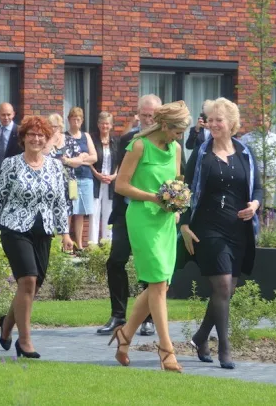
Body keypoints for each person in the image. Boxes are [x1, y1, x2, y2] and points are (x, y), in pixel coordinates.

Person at [0, 115, 74, 358]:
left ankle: (7, 325)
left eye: (40, 135)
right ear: (23, 138)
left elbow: (60, 202)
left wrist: (66, 233)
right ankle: (25, 341)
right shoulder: (11, 164)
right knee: (28, 280)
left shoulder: (55, 165)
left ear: (46, 139)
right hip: (14, 228)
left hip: (43, 230)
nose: (36, 138)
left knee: (32, 286)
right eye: (31, 134)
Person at [180, 98, 262, 369]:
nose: (213, 124)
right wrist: (184, 224)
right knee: (223, 285)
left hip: (238, 229)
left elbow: (257, 189)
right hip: (208, 228)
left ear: (232, 124)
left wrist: (254, 205)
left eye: (219, 120)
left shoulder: (245, 153)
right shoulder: (202, 153)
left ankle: (201, 337)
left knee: (227, 291)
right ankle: (224, 347)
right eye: (210, 119)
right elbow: (186, 189)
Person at [109, 100, 190, 373]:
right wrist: (154, 198)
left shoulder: (176, 149)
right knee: (157, 282)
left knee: (160, 285)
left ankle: (124, 337)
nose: (180, 137)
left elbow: (177, 182)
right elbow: (121, 185)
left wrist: (177, 203)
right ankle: (166, 349)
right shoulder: (138, 146)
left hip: (166, 220)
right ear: (165, 125)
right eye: (177, 131)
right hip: (142, 218)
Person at [96, 94, 160, 336]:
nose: (147, 119)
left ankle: (149, 318)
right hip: (126, 211)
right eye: (143, 115)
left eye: (151, 115)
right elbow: (121, 177)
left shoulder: (168, 143)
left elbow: (179, 177)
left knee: (149, 265)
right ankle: (117, 315)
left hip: (154, 214)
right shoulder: (126, 139)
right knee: (115, 261)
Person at [66, 107, 98, 250]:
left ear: (82, 120)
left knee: (80, 212)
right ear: (69, 120)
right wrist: (82, 157)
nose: (76, 121)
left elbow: (94, 157)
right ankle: (66, 244)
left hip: (85, 178)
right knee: (68, 211)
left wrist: (78, 161)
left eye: (79, 119)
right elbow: (63, 159)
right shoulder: (64, 136)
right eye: (74, 119)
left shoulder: (86, 136)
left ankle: (79, 244)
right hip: (70, 178)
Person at [240, 114, 276, 209]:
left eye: (264, 121)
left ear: (269, 123)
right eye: (258, 121)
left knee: (268, 206)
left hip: (269, 178)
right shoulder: (246, 139)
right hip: (253, 179)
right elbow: (242, 159)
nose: (260, 123)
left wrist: (272, 171)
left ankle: (266, 224)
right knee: (252, 204)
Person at [89, 112, 119, 244]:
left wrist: (114, 176)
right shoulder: (92, 140)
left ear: (111, 125)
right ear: (98, 124)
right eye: (102, 123)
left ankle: (107, 243)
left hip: (110, 181)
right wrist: (96, 174)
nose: (104, 126)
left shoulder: (116, 141)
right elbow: (88, 160)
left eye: (107, 123)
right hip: (96, 180)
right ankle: (92, 244)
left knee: (108, 212)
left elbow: (120, 161)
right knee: (94, 213)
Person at [0, 102, 23, 172]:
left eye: (8, 115)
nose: (6, 118)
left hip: (14, 171)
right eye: (3, 115)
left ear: (13, 114)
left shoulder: (20, 132)